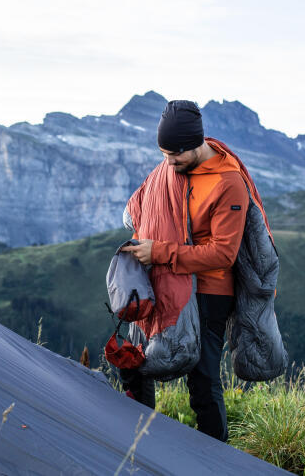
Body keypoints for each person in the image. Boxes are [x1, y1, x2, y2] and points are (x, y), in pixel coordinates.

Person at [121, 100, 253, 443]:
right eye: (163, 154)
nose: (169, 163)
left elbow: (223, 254)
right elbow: (139, 206)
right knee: (136, 363)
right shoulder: (169, 169)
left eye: (175, 155)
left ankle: (216, 457)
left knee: (203, 379)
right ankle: (137, 443)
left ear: (196, 144)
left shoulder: (227, 183)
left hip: (210, 290)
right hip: (163, 281)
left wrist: (159, 251)